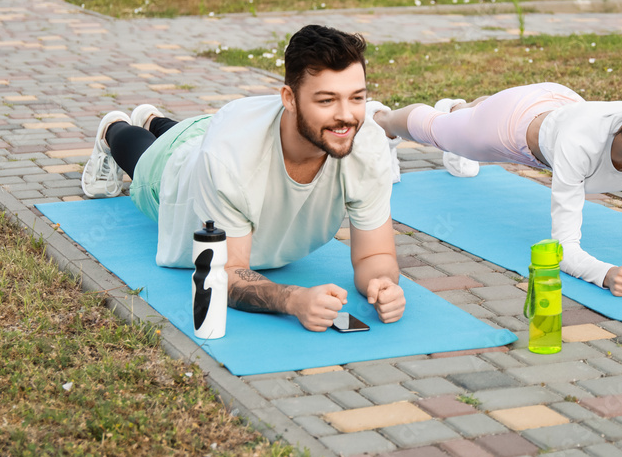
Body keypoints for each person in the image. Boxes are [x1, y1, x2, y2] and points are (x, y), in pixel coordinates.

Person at [81, 24, 406, 331]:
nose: (346, 116)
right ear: (289, 99)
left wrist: (383, 283)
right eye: (326, 100)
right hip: (178, 166)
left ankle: (152, 117)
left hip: (225, 130)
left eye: (357, 98)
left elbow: (374, 255)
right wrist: (294, 300)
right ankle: (113, 129)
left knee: (179, 132)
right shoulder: (229, 158)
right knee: (142, 159)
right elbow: (229, 272)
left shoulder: (365, 143)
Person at [369, 81, 622, 297]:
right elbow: (563, 250)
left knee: (465, 124)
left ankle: (466, 110)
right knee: (438, 133)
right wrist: (605, 274)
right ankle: (382, 120)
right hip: (511, 125)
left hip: (560, 110)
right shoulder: (581, 143)